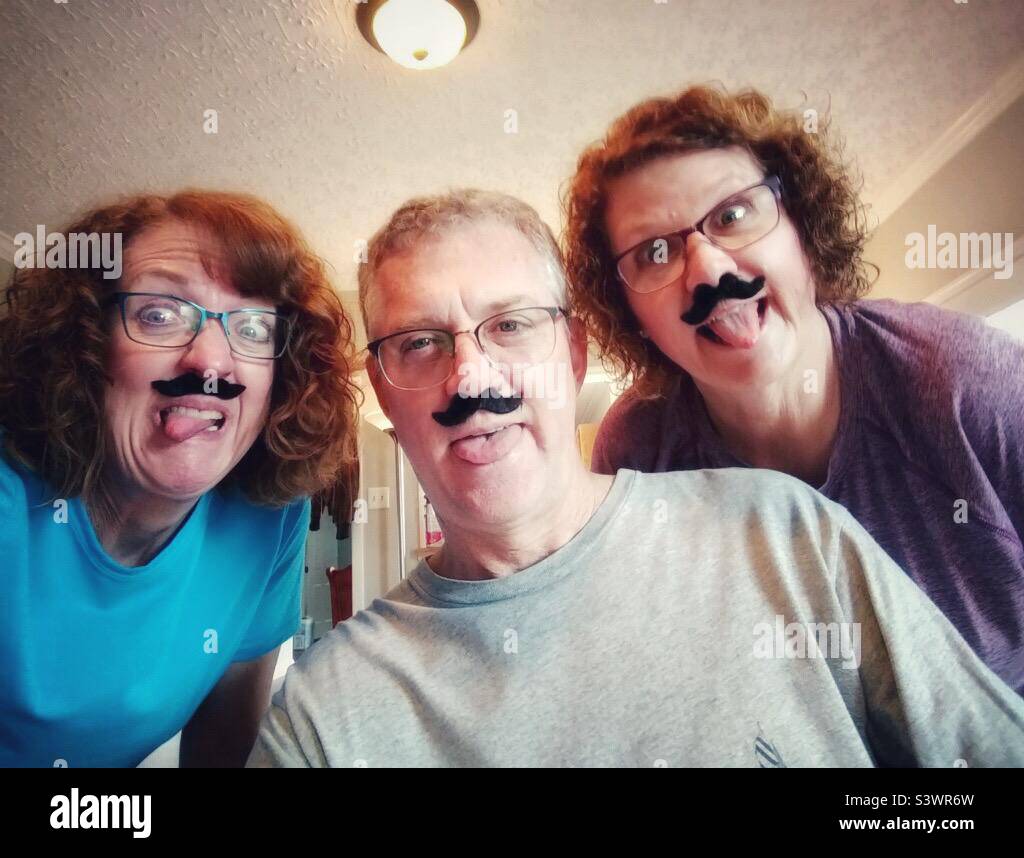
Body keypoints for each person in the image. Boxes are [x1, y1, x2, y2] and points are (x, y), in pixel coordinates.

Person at [248, 190, 1024, 767]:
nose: (470, 378)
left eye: (512, 325)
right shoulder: (326, 717)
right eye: (420, 343)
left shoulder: (787, 535)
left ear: (576, 354)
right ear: (383, 390)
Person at [563, 84, 1024, 694]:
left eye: (731, 215)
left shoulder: (968, 382)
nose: (709, 270)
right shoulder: (638, 455)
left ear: (802, 228)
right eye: (654, 251)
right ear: (630, 313)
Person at [0, 190, 360, 766]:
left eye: (254, 328)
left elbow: (222, 751)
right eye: (160, 314)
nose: (212, 363)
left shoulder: (269, 520)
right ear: (83, 346)